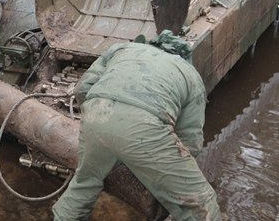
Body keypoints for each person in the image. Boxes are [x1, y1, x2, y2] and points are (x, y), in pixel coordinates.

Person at [51, 31, 221, 221]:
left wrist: (99, 126)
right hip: (144, 125)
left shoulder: (122, 48)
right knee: (202, 205)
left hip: (97, 114)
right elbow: (191, 142)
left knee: (84, 184)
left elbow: (82, 88)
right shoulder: (192, 76)